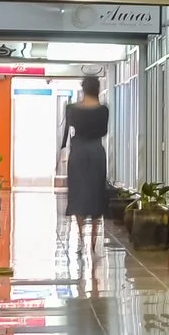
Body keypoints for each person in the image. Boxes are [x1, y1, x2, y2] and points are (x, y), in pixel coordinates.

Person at [61, 74, 110, 257]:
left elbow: (67, 131)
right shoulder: (103, 110)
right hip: (96, 151)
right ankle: (94, 240)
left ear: (83, 89)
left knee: (78, 193)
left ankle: (82, 237)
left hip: (79, 152)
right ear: (97, 89)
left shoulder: (72, 109)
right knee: (97, 193)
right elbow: (103, 131)